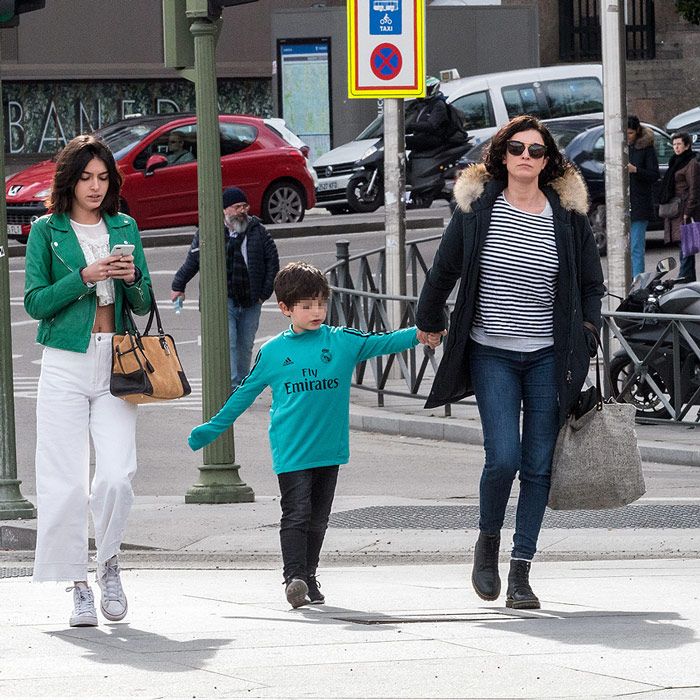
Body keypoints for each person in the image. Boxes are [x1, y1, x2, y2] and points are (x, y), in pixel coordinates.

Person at [416, 115, 604, 609]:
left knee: (538, 465)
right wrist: (428, 317)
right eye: (517, 148)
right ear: (501, 155)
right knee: (503, 458)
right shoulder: (478, 208)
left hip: (548, 355)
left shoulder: (567, 215)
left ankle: (521, 570)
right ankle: (487, 543)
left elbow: (590, 283)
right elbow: (445, 269)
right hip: (491, 352)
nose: (525, 157)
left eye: (536, 151)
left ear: (548, 161)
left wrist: (587, 333)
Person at [188, 262, 440, 608]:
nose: (316, 312)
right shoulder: (274, 352)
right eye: (306, 306)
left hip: (329, 447)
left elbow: (384, 342)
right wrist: (211, 429)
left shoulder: (342, 341)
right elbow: (244, 394)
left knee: (319, 518)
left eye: (321, 303)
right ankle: (293, 577)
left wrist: (419, 334)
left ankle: (309, 576)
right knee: (296, 512)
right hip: (291, 448)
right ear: (285, 309)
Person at [24, 134, 153, 626]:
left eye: (103, 178)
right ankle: (77, 583)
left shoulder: (124, 225)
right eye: (86, 178)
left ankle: (110, 563)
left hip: (116, 359)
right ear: (69, 181)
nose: (95, 187)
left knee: (117, 474)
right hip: (64, 363)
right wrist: (85, 274)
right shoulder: (46, 231)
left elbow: (141, 303)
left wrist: (130, 278)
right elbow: (35, 302)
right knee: (64, 481)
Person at [171, 187, 279, 388]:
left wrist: (264, 295)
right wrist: (179, 285)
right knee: (228, 344)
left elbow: (272, 263)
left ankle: (240, 387)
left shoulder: (258, 231)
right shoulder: (209, 231)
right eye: (236, 206)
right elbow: (193, 260)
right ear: (224, 210)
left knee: (245, 346)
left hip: (251, 299)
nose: (242, 210)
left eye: (244, 206)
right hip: (224, 299)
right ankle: (230, 388)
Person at [659, 131, 700, 282]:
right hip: (675, 210)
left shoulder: (691, 163)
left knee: (687, 247)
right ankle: (689, 280)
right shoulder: (675, 161)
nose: (676, 147)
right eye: (674, 144)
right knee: (684, 246)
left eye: (679, 144)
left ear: (687, 145)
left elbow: (694, 190)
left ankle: (683, 279)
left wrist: (688, 212)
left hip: (685, 211)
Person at [627, 115, 660, 278]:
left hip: (640, 204)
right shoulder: (621, 148)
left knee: (636, 247)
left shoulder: (646, 149)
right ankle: (629, 279)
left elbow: (654, 174)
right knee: (624, 249)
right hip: (624, 204)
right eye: (625, 133)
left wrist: (636, 170)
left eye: (631, 133)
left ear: (637, 132)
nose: (628, 137)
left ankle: (637, 281)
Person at [405, 76, 452, 153]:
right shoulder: (421, 104)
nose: (421, 93)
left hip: (435, 139)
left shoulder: (439, 104)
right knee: (398, 141)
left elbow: (431, 125)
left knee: (402, 142)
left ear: (432, 90)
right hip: (422, 137)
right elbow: (410, 118)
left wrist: (410, 126)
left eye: (424, 90)